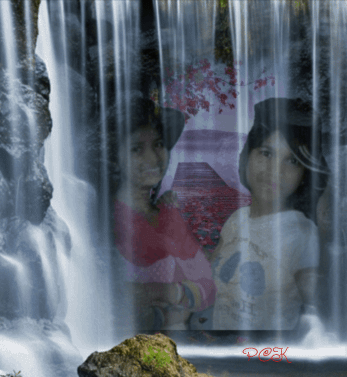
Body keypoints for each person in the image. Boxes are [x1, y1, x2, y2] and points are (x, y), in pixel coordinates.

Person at [211, 97, 329, 330]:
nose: (275, 170)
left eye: (292, 160)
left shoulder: (303, 234)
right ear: (248, 156)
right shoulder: (236, 219)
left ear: (304, 174)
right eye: (266, 153)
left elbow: (319, 306)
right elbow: (209, 273)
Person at [111, 97, 216, 331]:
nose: (153, 159)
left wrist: (167, 292)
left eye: (158, 144)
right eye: (137, 149)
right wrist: (182, 297)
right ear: (115, 158)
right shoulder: (107, 220)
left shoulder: (167, 214)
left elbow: (209, 286)